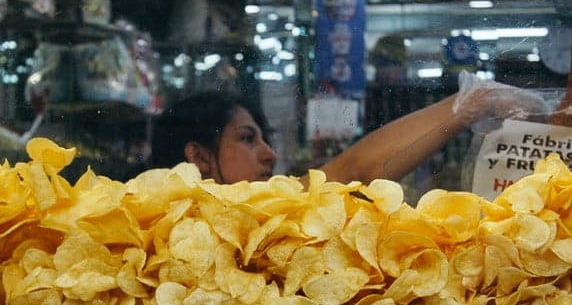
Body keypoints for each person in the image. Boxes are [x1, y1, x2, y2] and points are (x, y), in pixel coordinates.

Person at [149, 83, 544, 186]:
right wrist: (465, 106)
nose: (269, 155)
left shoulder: (269, 211)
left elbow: (349, 173)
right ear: (198, 157)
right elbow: (352, 172)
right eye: (248, 139)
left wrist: (467, 105)